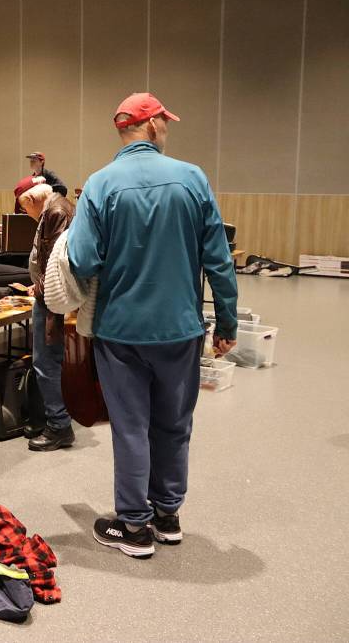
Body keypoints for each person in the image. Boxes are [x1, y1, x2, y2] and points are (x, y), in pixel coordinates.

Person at [68, 92, 238, 558]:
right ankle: (167, 514)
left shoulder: (100, 184)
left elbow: (82, 258)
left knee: (130, 427)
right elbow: (219, 260)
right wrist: (226, 321)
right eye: (167, 122)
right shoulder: (192, 178)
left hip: (120, 332)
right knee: (174, 424)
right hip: (180, 329)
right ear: (154, 126)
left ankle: (135, 527)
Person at [18, 184, 76, 452]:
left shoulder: (55, 211)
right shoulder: (56, 208)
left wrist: (42, 288)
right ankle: (54, 419)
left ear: (31, 198)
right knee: (48, 361)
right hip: (48, 295)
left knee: (45, 363)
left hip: (50, 300)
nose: (25, 213)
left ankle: (59, 425)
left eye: (24, 208)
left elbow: (53, 261)